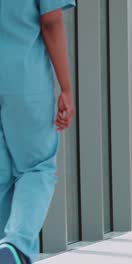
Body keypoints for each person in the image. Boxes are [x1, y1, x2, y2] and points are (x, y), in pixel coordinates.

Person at [0, 1, 76, 263]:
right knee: (37, 167)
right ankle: (16, 246)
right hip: (23, 79)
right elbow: (51, 21)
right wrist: (66, 88)